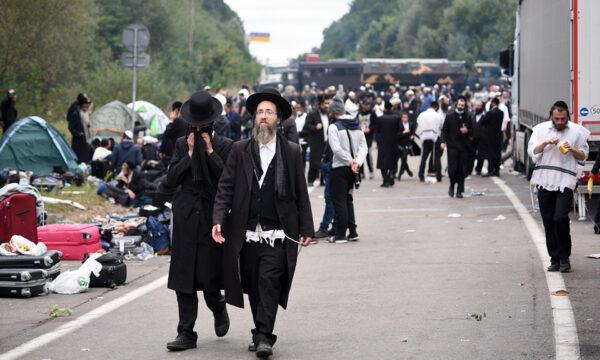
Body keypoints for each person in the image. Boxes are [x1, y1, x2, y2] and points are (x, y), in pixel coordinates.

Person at [211, 88, 313, 358]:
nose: (264, 117)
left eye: (269, 112)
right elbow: (225, 188)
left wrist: (306, 227)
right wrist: (219, 219)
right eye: (260, 112)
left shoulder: (290, 151)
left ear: (279, 119)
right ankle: (260, 330)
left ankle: (265, 336)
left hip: (278, 233)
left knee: (270, 281)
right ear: (254, 118)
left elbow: (301, 191)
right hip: (246, 234)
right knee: (253, 285)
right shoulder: (239, 149)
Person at [164, 90, 233, 351]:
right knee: (184, 278)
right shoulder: (182, 144)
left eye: (204, 124)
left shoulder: (226, 145)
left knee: (209, 277)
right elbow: (170, 180)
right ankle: (186, 333)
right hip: (185, 215)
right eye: (195, 125)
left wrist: (210, 152)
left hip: (211, 216)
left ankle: (218, 307)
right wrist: (190, 155)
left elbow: (229, 179)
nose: (199, 128)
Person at [528, 101, 589, 273]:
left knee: (560, 217)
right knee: (548, 221)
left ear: (567, 116)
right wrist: (546, 143)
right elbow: (532, 153)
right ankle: (554, 258)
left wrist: (573, 150)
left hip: (565, 181)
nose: (560, 122)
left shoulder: (576, 131)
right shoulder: (541, 129)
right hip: (545, 179)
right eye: (557, 119)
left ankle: (565, 257)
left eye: (563, 119)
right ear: (551, 116)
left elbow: (584, 154)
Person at [327, 97, 368, 242]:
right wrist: (357, 162)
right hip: (353, 170)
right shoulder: (356, 125)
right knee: (348, 199)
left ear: (332, 112)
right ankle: (353, 232)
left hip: (339, 168)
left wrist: (350, 161)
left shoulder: (333, 127)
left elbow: (336, 150)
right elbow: (364, 147)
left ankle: (340, 235)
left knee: (339, 201)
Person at [441, 96, 472, 198]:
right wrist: (443, 142)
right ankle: (452, 186)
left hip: (463, 147)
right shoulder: (450, 116)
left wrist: (467, 131)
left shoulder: (468, 116)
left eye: (462, 105)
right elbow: (444, 130)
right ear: (456, 105)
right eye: (459, 105)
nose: (460, 107)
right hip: (452, 147)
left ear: (465, 106)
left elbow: (473, 130)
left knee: (462, 170)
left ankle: (459, 190)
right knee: (452, 169)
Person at [303, 94, 331, 185]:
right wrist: (315, 127)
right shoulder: (312, 114)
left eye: (328, 103)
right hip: (316, 142)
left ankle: (323, 180)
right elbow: (307, 126)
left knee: (325, 161)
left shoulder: (329, 114)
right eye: (324, 104)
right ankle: (311, 180)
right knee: (314, 162)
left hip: (327, 142)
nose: (326, 106)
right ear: (319, 104)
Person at [375, 101, 401, 187]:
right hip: (394, 143)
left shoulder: (380, 118)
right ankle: (391, 175)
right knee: (393, 162)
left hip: (383, 144)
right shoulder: (396, 118)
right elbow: (399, 131)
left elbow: (377, 132)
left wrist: (378, 142)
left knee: (383, 163)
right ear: (391, 108)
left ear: (385, 108)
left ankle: (385, 180)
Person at [416, 101, 443, 182]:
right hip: (435, 137)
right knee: (437, 157)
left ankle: (421, 175)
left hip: (424, 138)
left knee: (424, 158)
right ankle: (438, 176)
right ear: (436, 107)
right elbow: (440, 126)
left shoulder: (421, 115)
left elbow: (418, 123)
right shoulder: (438, 115)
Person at [478, 98, 504, 176]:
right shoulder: (501, 113)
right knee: (497, 153)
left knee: (490, 154)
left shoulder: (490, 113)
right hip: (498, 136)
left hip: (489, 137)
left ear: (493, 103)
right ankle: (497, 170)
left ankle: (491, 170)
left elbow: (483, 122)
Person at [67, 93, 92, 163]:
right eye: (85, 104)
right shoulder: (76, 113)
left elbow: (86, 124)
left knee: (86, 157)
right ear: (82, 104)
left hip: (86, 139)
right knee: (79, 158)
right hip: (78, 141)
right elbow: (70, 127)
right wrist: (78, 134)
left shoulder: (86, 112)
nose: (87, 106)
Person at [358, 97, 376, 180]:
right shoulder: (358, 113)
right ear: (362, 105)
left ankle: (371, 171)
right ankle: (361, 172)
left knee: (368, 153)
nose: (367, 106)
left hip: (369, 136)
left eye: (368, 104)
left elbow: (375, 124)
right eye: (365, 104)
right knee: (360, 154)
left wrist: (370, 129)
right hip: (360, 136)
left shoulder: (372, 113)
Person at [397, 111, 416, 181]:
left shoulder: (411, 124)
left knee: (404, 158)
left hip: (408, 144)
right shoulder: (399, 125)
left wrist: (412, 136)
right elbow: (397, 135)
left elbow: (413, 133)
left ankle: (399, 175)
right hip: (400, 145)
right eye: (403, 117)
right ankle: (408, 170)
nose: (405, 119)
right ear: (401, 118)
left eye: (406, 117)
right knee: (403, 159)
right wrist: (404, 132)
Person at [471, 100, 486, 175]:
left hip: (482, 139)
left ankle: (478, 169)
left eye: (479, 106)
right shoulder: (472, 115)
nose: (478, 107)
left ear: (482, 107)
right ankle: (469, 169)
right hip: (473, 138)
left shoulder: (485, 116)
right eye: (476, 106)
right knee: (471, 154)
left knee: (481, 155)